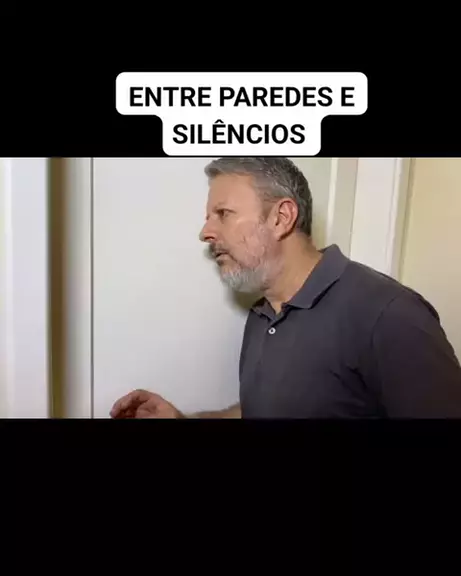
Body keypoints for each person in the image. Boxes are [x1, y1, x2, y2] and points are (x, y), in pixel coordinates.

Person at [110, 157, 461, 419]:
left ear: (281, 218)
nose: (206, 232)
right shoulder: (263, 314)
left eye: (223, 213)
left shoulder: (389, 315)